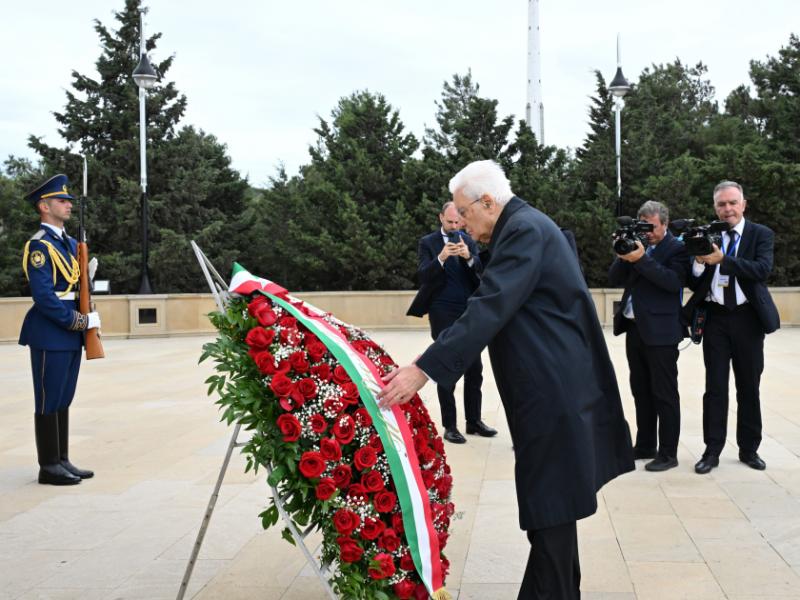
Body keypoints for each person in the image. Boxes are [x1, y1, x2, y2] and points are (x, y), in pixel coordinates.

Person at [379, 160, 634, 600]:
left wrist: (423, 370)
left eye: (464, 211)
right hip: (550, 384)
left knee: (550, 503)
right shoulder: (521, 226)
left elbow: (489, 307)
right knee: (551, 504)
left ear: (488, 202)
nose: (459, 221)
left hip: (552, 389)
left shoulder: (524, 230)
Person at [684, 181, 779, 475]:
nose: (727, 210)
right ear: (715, 208)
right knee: (715, 388)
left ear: (743, 204)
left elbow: (761, 270)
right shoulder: (707, 234)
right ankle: (712, 451)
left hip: (748, 319)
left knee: (748, 386)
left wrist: (725, 259)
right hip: (715, 318)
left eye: (732, 203)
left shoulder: (760, 234)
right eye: (721, 205)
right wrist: (700, 262)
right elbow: (694, 279)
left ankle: (749, 449)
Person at [19, 174, 100, 485]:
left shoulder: (67, 243)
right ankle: (48, 466)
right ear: (44, 206)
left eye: (68, 200)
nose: (68, 205)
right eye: (61, 200)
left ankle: (62, 459)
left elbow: (75, 286)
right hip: (50, 330)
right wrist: (79, 322)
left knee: (63, 396)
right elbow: (43, 296)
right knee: (47, 398)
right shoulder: (39, 246)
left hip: (69, 331)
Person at [609, 201, 689, 472]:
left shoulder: (677, 249)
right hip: (635, 329)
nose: (648, 233)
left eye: (652, 228)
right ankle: (645, 445)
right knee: (640, 391)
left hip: (663, 333)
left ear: (665, 224)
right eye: (644, 227)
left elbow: (672, 282)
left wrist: (641, 258)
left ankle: (668, 452)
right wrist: (624, 251)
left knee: (664, 393)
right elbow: (614, 277)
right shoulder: (635, 243)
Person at [407, 201, 496, 443]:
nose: (455, 226)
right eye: (450, 222)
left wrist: (469, 258)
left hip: (468, 309)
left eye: (458, 222)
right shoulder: (428, 243)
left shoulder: (469, 240)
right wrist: (441, 258)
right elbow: (423, 275)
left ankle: (473, 421)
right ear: (441, 218)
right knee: (448, 365)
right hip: (441, 310)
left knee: (475, 368)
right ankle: (450, 425)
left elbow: (480, 273)